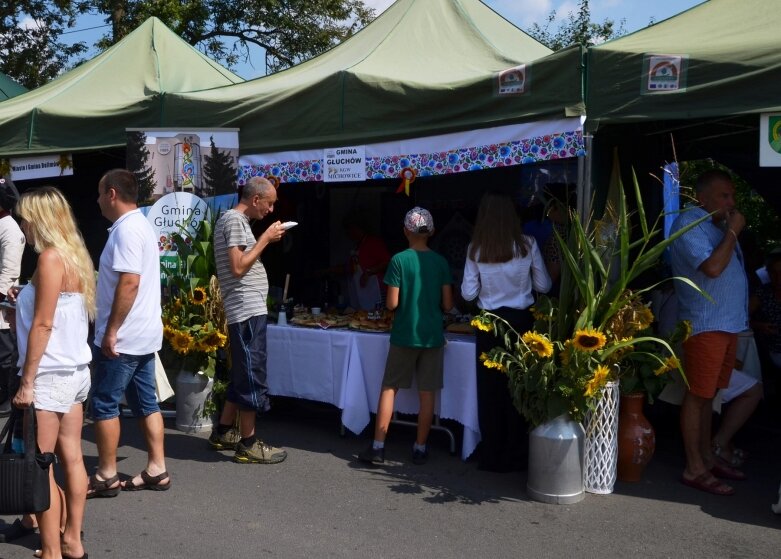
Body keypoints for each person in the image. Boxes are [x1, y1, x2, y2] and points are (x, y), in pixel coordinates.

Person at [9, 187, 95, 559]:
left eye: (25, 217)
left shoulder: (48, 259)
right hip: (75, 370)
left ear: (39, 219)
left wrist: (27, 381)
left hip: (49, 375)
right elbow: (57, 316)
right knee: (71, 457)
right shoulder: (74, 258)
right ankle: (72, 540)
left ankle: (51, 550)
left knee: (40, 465)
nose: (22, 224)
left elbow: (43, 325)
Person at [88, 168, 169, 497]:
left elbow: (130, 282)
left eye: (99, 193)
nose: (96, 200)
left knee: (105, 405)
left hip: (125, 337)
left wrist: (111, 331)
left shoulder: (127, 230)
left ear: (111, 194)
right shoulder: (140, 226)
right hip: (143, 334)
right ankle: (157, 468)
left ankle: (106, 474)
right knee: (146, 403)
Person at [670, 169, 749, 496]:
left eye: (732, 196)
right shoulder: (690, 224)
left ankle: (705, 458)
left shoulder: (713, 225)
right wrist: (732, 232)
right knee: (698, 396)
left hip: (726, 324)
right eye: (724, 196)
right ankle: (694, 467)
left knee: (709, 397)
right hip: (706, 324)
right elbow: (713, 268)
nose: (731, 203)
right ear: (701, 199)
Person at [461, 192, 552, 472]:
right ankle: (517, 454)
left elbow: (467, 293)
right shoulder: (528, 244)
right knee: (519, 388)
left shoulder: (476, 249)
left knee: (490, 391)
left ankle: (492, 453)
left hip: (489, 324)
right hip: (521, 323)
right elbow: (545, 286)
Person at [358, 207, 453, 465]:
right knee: (427, 393)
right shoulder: (441, 262)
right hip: (432, 335)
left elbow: (391, 303)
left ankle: (378, 446)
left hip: (403, 333)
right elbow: (447, 305)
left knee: (390, 387)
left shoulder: (399, 260)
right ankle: (420, 447)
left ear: (405, 231)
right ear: (431, 232)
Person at [208, 176, 288, 464]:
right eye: (269, 203)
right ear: (256, 199)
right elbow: (238, 266)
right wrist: (266, 238)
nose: (270, 210)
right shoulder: (234, 221)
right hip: (245, 311)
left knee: (243, 373)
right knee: (252, 373)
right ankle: (249, 443)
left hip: (245, 310)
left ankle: (223, 431)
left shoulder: (235, 222)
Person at [0, 175, 24, 418]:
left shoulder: (9, 228)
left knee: (4, 356)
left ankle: (6, 398)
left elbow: (9, 271)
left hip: (1, 305)